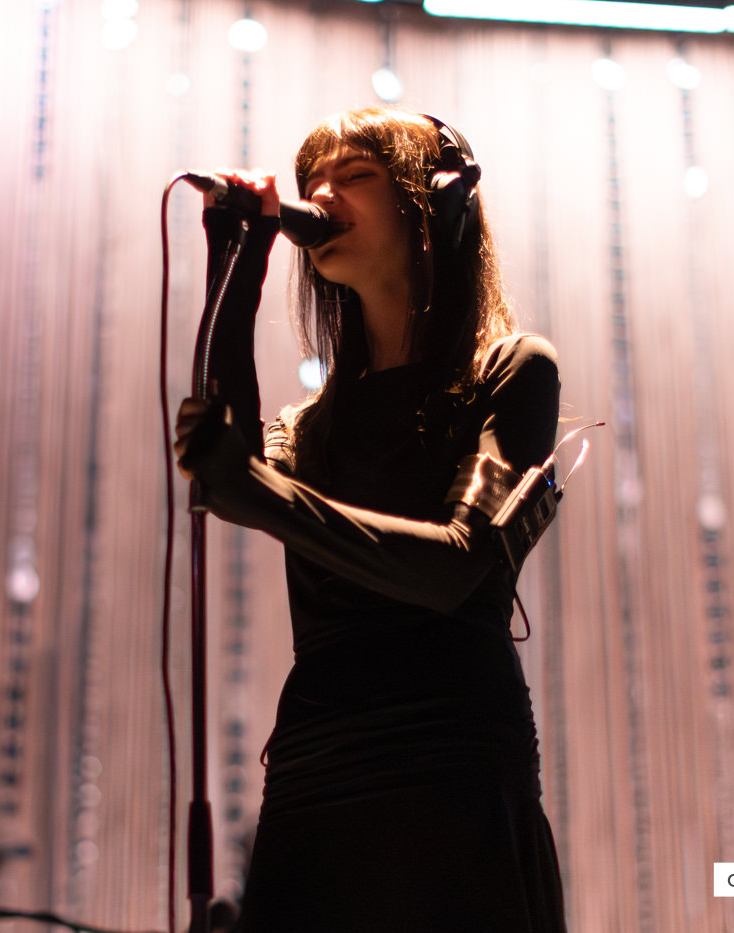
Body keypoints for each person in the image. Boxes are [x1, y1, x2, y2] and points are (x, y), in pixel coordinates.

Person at [173, 107, 568, 933]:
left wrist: (255, 491)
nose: (322, 193)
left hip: (452, 774)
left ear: (439, 204)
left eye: (355, 176)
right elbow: (234, 459)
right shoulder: (312, 424)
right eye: (314, 178)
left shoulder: (514, 370)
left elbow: (454, 566)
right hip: (318, 772)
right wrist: (239, 260)